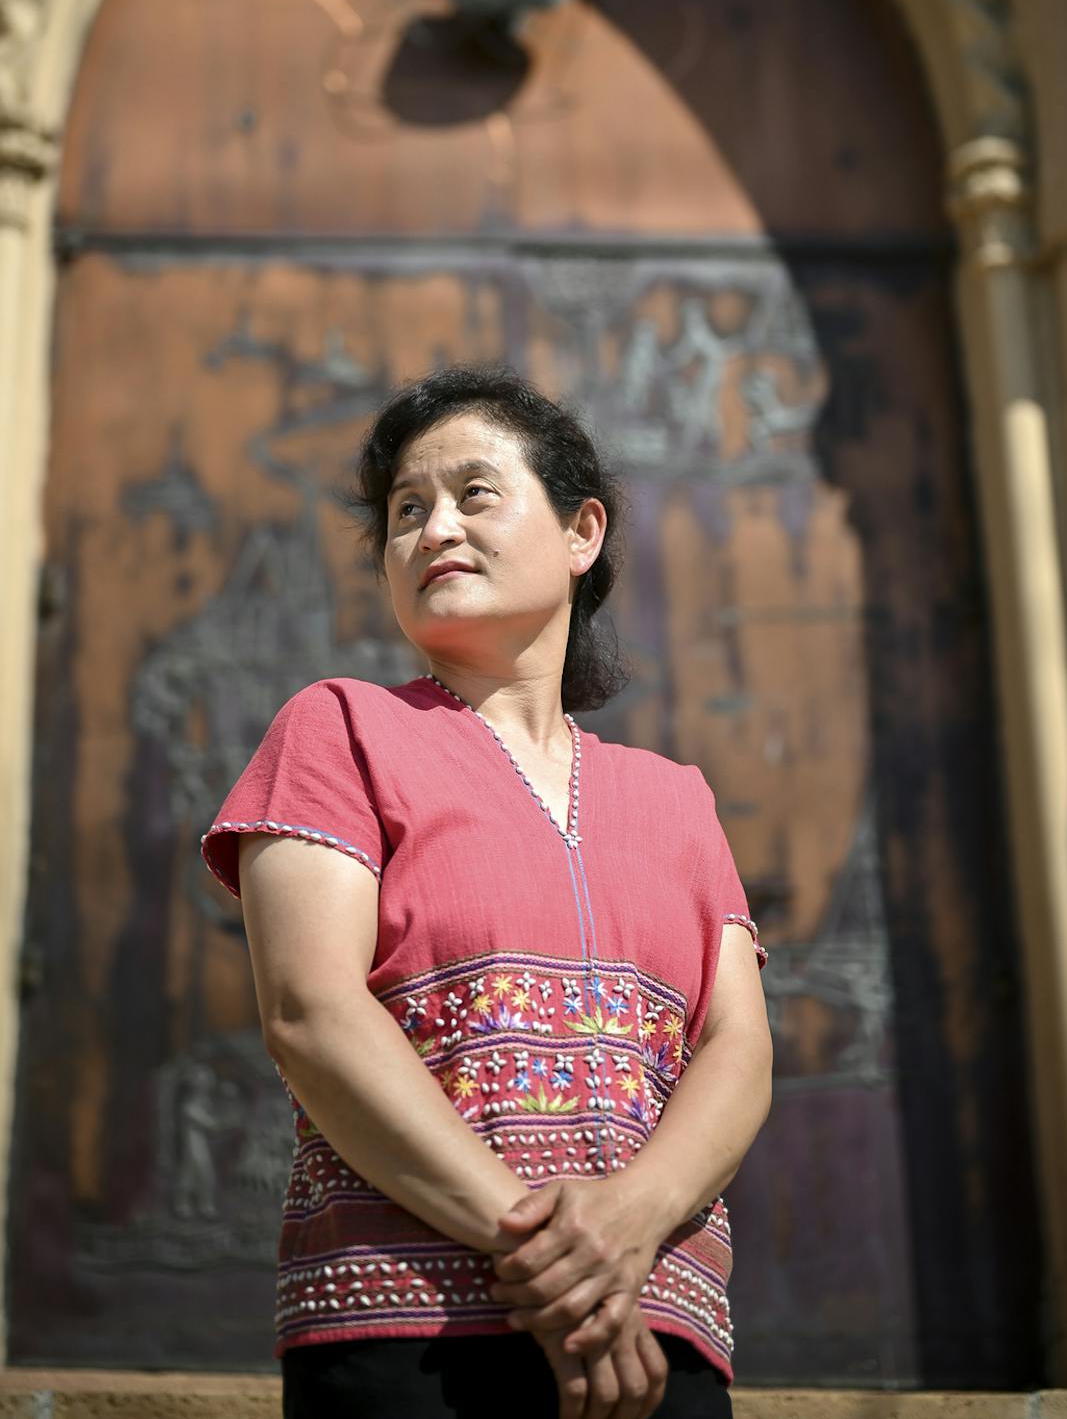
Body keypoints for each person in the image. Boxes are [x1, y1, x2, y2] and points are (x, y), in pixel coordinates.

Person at [201, 364, 773, 1417]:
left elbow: (737, 1051)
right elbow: (311, 1015)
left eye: (473, 494)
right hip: (410, 1333)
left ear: (579, 533)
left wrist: (628, 1223)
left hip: (655, 1341)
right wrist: (553, 1259)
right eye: (404, 511)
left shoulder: (676, 799)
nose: (430, 530)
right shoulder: (337, 732)